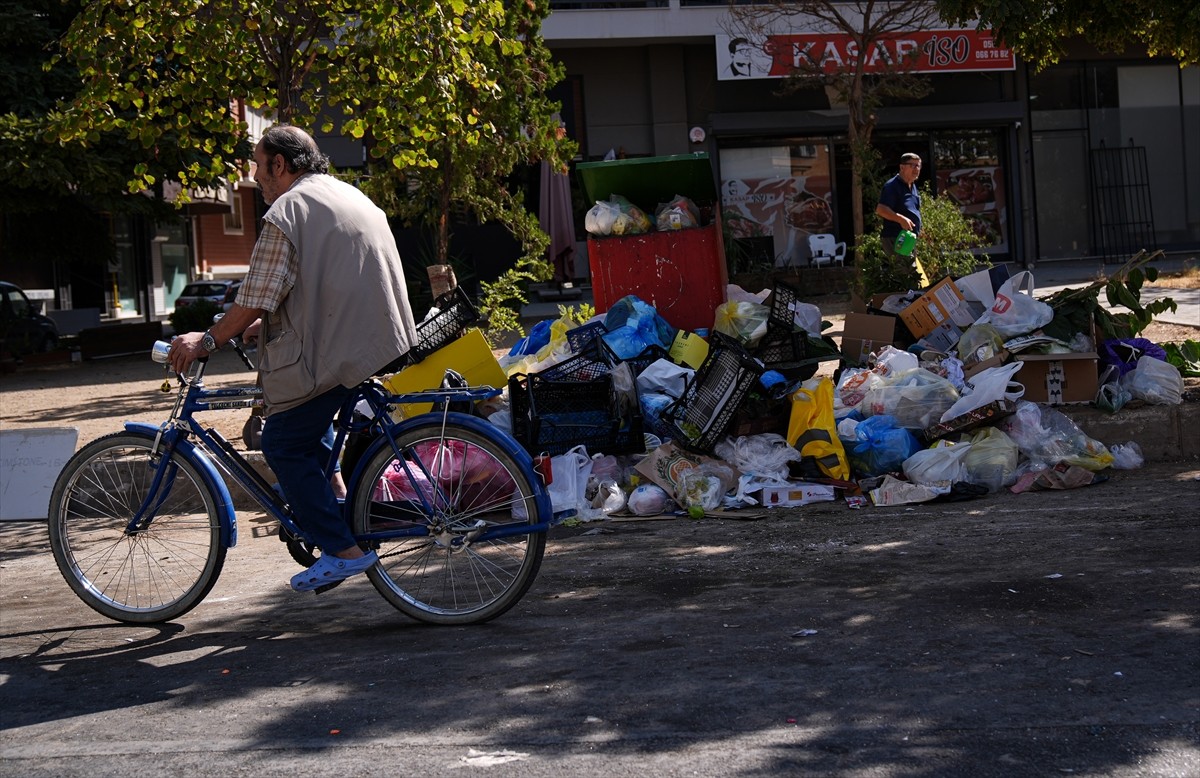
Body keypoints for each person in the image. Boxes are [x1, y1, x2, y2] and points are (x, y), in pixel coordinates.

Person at [168, 124, 418, 593]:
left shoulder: (288, 210)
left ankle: (342, 552)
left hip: (339, 348)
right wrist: (260, 323)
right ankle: (336, 496)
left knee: (282, 441)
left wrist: (207, 340)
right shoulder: (347, 194)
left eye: (258, 166)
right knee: (308, 425)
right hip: (377, 338)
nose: (254, 177)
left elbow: (254, 296)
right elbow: (315, 281)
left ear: (279, 164)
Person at [875, 152, 923, 271]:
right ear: (902, 167)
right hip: (896, 237)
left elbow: (913, 210)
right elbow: (881, 209)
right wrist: (901, 219)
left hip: (909, 238)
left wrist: (919, 227)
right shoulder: (892, 186)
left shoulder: (913, 186)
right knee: (907, 273)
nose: (916, 169)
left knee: (909, 273)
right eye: (912, 165)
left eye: (918, 165)